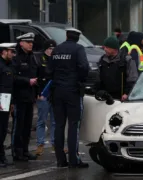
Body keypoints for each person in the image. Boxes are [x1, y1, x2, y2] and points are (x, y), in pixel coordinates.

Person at [47, 28, 90, 168]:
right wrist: (80, 80)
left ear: (66, 36)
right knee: (73, 125)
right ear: (77, 38)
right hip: (72, 91)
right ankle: (73, 159)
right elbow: (84, 67)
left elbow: (49, 70)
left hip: (57, 91)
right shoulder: (78, 49)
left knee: (59, 125)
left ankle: (60, 160)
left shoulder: (57, 49)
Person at [35, 40, 68, 156]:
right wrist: (38, 92)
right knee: (42, 120)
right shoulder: (39, 60)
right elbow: (37, 78)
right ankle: (40, 144)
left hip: (55, 94)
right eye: (49, 49)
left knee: (55, 120)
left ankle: (56, 143)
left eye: (53, 49)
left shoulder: (57, 60)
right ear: (45, 49)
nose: (51, 51)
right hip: (44, 93)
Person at [12, 33, 39, 162]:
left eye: (32, 42)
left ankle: (25, 150)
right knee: (19, 125)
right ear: (21, 43)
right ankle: (17, 152)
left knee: (27, 125)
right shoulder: (16, 57)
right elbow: (12, 77)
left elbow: (36, 73)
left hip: (30, 96)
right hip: (19, 96)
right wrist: (27, 81)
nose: (31, 44)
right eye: (28, 42)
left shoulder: (32, 56)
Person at [94, 36, 138, 101]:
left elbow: (132, 78)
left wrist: (127, 93)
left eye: (107, 47)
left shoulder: (126, 60)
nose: (105, 49)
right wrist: (98, 91)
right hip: (105, 99)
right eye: (104, 47)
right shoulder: (102, 60)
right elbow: (98, 78)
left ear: (115, 49)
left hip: (121, 99)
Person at [0, 43, 16, 167]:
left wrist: (11, 102)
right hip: (0, 100)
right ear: (3, 52)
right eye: (10, 51)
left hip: (6, 100)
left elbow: (10, 86)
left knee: (3, 129)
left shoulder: (9, 65)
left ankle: (2, 156)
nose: (12, 53)